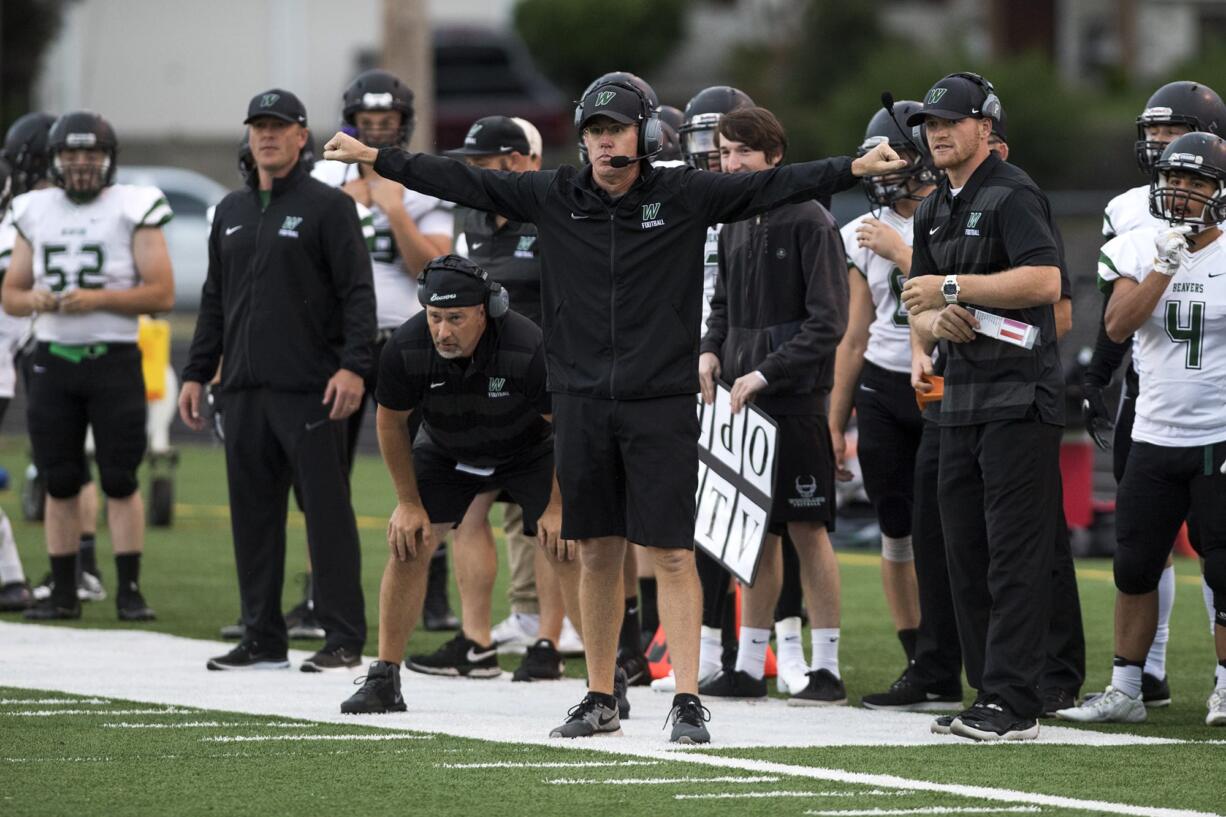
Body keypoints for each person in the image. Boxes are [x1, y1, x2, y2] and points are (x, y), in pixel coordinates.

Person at [323, 78, 906, 743]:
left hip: (659, 402)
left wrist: (855, 168)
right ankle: (601, 694)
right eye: (594, 131)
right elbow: (465, 183)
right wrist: (381, 159)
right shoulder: (556, 195)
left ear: (643, 134)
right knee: (596, 549)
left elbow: (775, 184)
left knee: (674, 551)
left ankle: (687, 700)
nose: (603, 142)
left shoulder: (682, 194)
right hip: (579, 401)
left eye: (615, 130)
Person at [179, 89, 375, 672]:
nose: (266, 135)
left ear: (300, 136)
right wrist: (196, 372)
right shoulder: (230, 212)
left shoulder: (328, 207)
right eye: (258, 126)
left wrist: (354, 365)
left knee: (327, 513)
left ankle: (341, 637)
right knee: (252, 516)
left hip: (310, 389)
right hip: (241, 390)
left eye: (278, 126)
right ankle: (263, 636)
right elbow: (214, 302)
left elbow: (357, 295)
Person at [901, 72, 1064, 741]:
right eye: (929, 123)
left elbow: (1046, 280)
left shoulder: (1013, 191)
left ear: (984, 128)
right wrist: (936, 321)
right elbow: (917, 303)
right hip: (958, 397)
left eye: (950, 120)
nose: (936, 132)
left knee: (1012, 553)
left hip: (1018, 395)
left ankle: (1013, 700)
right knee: (961, 549)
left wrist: (953, 285)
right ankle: (986, 692)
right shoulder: (932, 206)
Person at [341, 254, 568, 712]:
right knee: (407, 542)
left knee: (569, 543)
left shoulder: (526, 343)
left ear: (485, 311)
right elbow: (389, 423)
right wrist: (408, 502)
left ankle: (607, 680)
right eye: (435, 317)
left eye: (456, 319)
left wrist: (560, 507)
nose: (443, 331)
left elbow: (564, 426)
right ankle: (385, 674)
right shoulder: (405, 346)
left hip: (531, 450)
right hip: (447, 451)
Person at [1057, 133, 1226, 728]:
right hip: (1154, 432)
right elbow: (1119, 324)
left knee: (1223, 564)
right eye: (1175, 182)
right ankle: (1127, 688)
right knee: (1133, 565)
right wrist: (1163, 263)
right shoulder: (1135, 246)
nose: (1182, 194)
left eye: (1196, 183)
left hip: (1218, 435)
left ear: (1220, 192)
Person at [697, 106, 849, 704]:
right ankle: (748, 662)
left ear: (775, 157)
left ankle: (828, 668)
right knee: (751, 533)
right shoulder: (730, 221)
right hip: (741, 400)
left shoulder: (812, 220)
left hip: (796, 400)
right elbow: (722, 306)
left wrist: (766, 370)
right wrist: (711, 351)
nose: (732, 164)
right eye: (724, 154)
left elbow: (828, 323)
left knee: (808, 529)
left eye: (743, 153)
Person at [3, 110, 172, 622]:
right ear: (55, 160)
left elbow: (161, 292)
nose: (81, 164)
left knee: (120, 477)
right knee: (59, 479)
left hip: (114, 357)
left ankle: (129, 590)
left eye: (91, 154)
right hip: (53, 362)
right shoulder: (33, 209)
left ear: (108, 159)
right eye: (71, 155)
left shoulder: (133, 205)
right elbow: (10, 295)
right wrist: (38, 299)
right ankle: (62, 593)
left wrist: (96, 300)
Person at [311, 69, 460, 633]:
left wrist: (393, 207)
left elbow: (431, 268)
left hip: (408, 337)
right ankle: (321, 594)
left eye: (387, 125)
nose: (375, 133)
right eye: (367, 125)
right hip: (338, 344)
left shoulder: (419, 181)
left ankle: (434, 593)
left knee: (428, 471)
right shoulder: (323, 180)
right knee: (324, 475)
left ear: (404, 126)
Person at [830, 100, 940, 690]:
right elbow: (853, 334)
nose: (881, 168)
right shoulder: (856, 233)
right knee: (895, 530)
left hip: (943, 385)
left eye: (893, 157)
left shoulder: (952, 214)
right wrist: (834, 418)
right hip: (880, 384)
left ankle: (952, 646)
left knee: (944, 528)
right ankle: (916, 655)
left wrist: (903, 252)